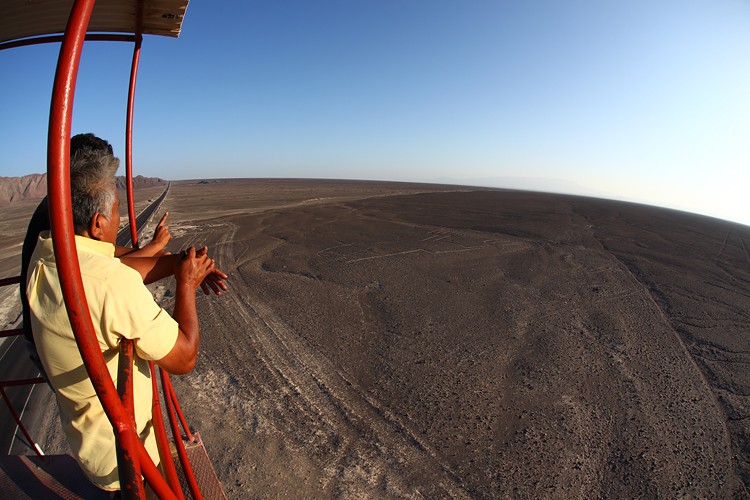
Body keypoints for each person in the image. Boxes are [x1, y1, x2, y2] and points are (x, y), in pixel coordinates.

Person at [25, 142, 227, 492]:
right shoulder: (109, 286)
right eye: (117, 212)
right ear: (98, 223)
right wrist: (186, 284)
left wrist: (181, 262)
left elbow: (115, 264)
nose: (120, 219)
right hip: (131, 463)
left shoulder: (49, 251)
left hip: (91, 448)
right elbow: (184, 356)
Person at [19, 134, 174, 377]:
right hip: (61, 351)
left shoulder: (63, 203)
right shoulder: (60, 213)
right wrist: (163, 258)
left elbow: (102, 254)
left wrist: (154, 249)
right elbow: (97, 270)